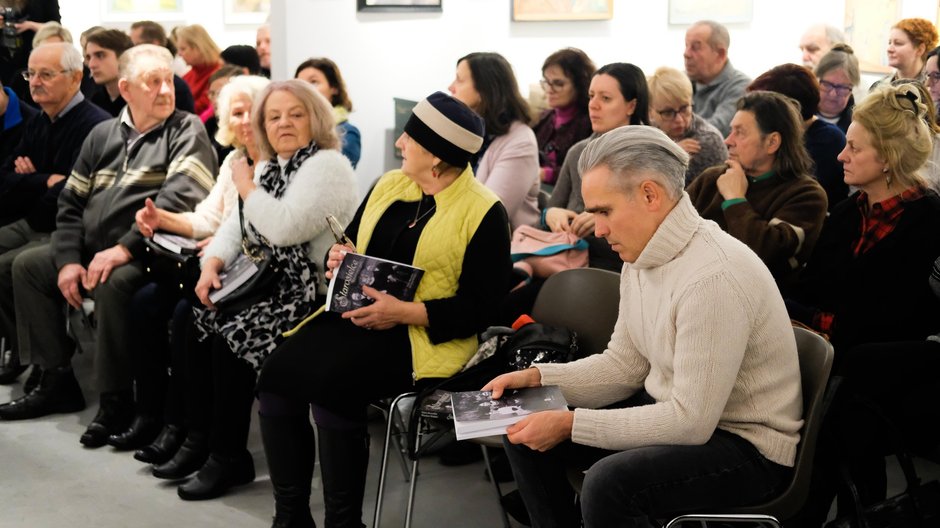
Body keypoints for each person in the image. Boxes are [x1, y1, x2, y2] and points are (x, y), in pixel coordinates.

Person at [486, 125, 802, 528]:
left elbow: (690, 421)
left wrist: (570, 424)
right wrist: (540, 380)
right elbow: (624, 366)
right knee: (525, 426)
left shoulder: (714, 276)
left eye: (604, 211)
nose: (597, 229)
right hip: (687, 419)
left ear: (650, 195)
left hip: (748, 447)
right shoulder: (642, 255)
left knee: (608, 484)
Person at [254, 91, 512, 526]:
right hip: (357, 317)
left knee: (333, 391)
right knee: (274, 380)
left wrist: (405, 312)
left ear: (436, 157)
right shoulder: (391, 185)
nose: (398, 145)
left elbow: (482, 308)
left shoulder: (484, 212)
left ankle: (343, 521)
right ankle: (291, 515)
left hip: (422, 337)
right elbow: (351, 244)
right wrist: (337, 257)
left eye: (409, 138)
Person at [0, 45, 217, 449]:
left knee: (114, 283)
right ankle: (56, 376)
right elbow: (70, 203)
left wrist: (122, 248)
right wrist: (67, 260)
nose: (165, 90)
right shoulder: (103, 134)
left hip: (151, 251)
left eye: (169, 80)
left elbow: (179, 199)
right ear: (126, 89)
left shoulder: (186, 129)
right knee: (29, 266)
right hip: (90, 247)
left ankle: (115, 398)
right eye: (153, 82)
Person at [176, 79, 359, 501]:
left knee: (230, 338)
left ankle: (227, 456)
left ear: (315, 119)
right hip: (270, 286)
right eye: (273, 117)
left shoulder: (327, 165)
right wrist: (213, 264)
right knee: (193, 316)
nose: (284, 124)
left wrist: (245, 184)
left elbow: (283, 227)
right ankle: (198, 439)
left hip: (313, 296)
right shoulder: (269, 168)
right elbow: (237, 225)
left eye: (296, 114)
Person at [787, 83, 940, 525]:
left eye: (854, 147)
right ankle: (858, 511)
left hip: (893, 367)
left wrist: (809, 316)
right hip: (840, 355)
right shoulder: (848, 213)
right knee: (845, 412)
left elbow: (895, 320)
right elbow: (812, 287)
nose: (840, 155)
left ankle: (813, 511)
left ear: (887, 158)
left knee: (847, 399)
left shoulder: (930, 224)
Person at [112, 75, 273, 457]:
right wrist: (163, 219)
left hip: (247, 274)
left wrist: (217, 245)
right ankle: (153, 415)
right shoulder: (234, 161)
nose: (246, 118)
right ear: (227, 121)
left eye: (254, 109)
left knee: (187, 315)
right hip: (213, 265)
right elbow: (208, 218)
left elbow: (261, 232)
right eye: (237, 112)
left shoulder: (273, 165)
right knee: (144, 304)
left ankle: (190, 431)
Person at [0, 42, 109, 384]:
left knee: (13, 266)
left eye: (46, 74)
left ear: (76, 78)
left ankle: (53, 369)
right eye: (30, 73)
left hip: (70, 230)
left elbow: (71, 194)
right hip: (36, 219)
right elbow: (5, 179)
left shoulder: (93, 125)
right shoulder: (39, 120)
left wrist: (29, 181)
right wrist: (42, 180)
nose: (35, 82)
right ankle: (26, 350)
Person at [687, 91, 828, 293]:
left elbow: (762, 258)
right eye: (731, 131)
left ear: (772, 142)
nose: (728, 141)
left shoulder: (806, 195)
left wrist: (735, 200)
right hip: (689, 288)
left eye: (740, 133)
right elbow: (671, 228)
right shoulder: (712, 178)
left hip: (754, 305)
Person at [543, 63, 649, 273]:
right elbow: (550, 211)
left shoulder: (651, 155)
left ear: (631, 106)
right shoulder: (578, 152)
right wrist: (551, 214)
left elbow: (658, 224)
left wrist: (605, 216)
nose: (593, 105)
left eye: (605, 98)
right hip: (567, 260)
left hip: (621, 268)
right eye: (591, 96)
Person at [449, 52, 540, 229]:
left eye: (459, 80)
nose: (451, 87)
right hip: (459, 230)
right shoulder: (468, 132)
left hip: (501, 245)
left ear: (484, 89)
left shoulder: (521, 142)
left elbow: (489, 215)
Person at [748, 63, 849, 210]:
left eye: (761, 108)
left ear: (789, 110)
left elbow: (785, 192)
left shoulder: (828, 141)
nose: (754, 114)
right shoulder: (781, 135)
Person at [647, 65, 726, 184]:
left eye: (684, 108)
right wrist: (670, 152)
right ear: (650, 112)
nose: (679, 120)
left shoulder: (706, 142)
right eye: (668, 113)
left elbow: (665, 190)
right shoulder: (646, 131)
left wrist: (670, 156)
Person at [531, 48, 594, 187]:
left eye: (558, 83)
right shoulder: (541, 119)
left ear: (580, 84)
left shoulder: (591, 122)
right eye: (546, 82)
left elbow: (587, 171)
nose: (549, 89)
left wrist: (545, 174)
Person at [684, 20, 751, 137]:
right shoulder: (681, 80)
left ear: (720, 54)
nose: (686, 54)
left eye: (695, 47)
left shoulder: (740, 87)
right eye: (686, 46)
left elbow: (715, 131)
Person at [294, 57, 361, 168]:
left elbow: (336, 170)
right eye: (300, 84)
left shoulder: (348, 132)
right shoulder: (290, 126)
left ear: (334, 88)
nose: (306, 89)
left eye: (313, 82)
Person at [128, 19, 196, 114]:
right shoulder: (131, 81)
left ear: (154, 44)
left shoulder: (177, 85)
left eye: (136, 45)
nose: (132, 51)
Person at [0, 0, 60, 88]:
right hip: (4, 61)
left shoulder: (44, 3)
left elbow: (57, 29)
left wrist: (30, 25)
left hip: (34, 61)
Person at [871, 17, 939, 89]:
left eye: (898, 43)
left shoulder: (933, 89)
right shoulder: (879, 87)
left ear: (920, 49)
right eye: (889, 43)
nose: (889, 49)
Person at [83, 28, 133, 117]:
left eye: (100, 55)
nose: (91, 65)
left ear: (123, 57)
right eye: (88, 58)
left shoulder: (141, 101)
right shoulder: (95, 100)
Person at [175, 24, 222, 115]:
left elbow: (200, 107)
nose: (179, 54)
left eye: (183, 49)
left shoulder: (218, 75)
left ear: (198, 48)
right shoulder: (190, 74)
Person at [815, 43, 860, 133]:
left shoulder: (859, 126)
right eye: (827, 84)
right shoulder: (797, 117)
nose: (833, 94)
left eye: (842, 88)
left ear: (851, 88)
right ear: (817, 80)